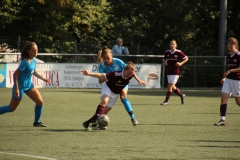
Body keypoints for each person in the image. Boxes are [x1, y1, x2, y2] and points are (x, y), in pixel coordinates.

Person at [81, 61, 146, 131]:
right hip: (108, 88)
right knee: (105, 101)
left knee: (103, 113)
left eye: (131, 74)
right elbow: (101, 75)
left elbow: (133, 74)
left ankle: (87, 123)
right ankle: (95, 118)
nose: (129, 75)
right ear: (124, 70)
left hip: (115, 93)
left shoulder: (131, 74)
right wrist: (88, 74)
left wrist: (139, 80)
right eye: (128, 73)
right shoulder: (116, 74)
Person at [0, 41, 51, 127]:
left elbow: (34, 71)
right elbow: (15, 74)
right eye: (34, 50)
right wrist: (16, 89)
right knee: (11, 108)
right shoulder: (25, 62)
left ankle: (36, 122)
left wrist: (44, 78)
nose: (36, 52)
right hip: (20, 87)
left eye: (37, 50)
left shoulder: (34, 60)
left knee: (40, 102)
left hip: (29, 85)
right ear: (28, 51)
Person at [214, 37, 240, 126]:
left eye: (231, 44)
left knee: (238, 102)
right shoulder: (229, 55)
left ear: (235, 45)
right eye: (228, 44)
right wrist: (225, 78)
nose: (229, 45)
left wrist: (230, 71)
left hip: (237, 81)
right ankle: (222, 120)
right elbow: (229, 68)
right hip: (229, 80)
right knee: (223, 99)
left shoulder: (238, 55)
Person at [160, 39, 189, 105]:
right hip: (169, 71)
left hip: (175, 72)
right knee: (173, 87)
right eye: (171, 44)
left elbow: (186, 58)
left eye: (173, 44)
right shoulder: (167, 52)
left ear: (176, 45)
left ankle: (166, 101)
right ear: (169, 45)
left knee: (169, 85)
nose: (172, 45)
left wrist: (181, 63)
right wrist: (165, 62)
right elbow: (164, 60)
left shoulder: (178, 52)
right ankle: (181, 95)